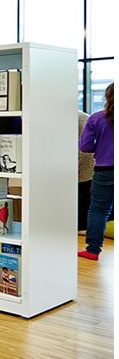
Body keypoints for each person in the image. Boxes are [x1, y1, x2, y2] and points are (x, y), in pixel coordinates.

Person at [79, 83, 114, 260]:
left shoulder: (96, 118)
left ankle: (92, 250)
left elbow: (85, 147)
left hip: (105, 169)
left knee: (99, 210)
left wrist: (102, 147)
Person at [78, 110, 95, 231]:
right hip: (92, 164)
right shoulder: (84, 116)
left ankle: (82, 228)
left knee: (85, 198)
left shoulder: (76, 118)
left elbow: (83, 149)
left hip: (85, 164)